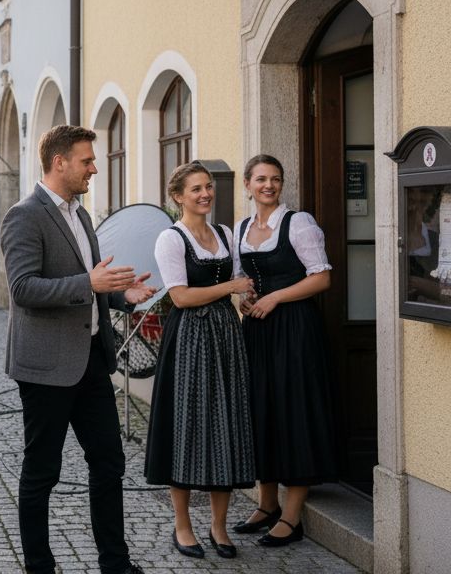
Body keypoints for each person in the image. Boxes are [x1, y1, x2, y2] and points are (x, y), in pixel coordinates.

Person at [0, 124, 154, 574]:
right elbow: (24, 288)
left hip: (92, 361)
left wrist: (120, 294)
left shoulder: (81, 215)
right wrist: (90, 283)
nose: (94, 168)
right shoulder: (24, 215)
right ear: (59, 162)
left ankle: (116, 564)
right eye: (87, 160)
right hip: (46, 366)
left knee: (109, 462)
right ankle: (39, 566)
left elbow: (91, 282)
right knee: (42, 470)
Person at [144, 162, 256, 560]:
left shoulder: (225, 233)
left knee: (225, 424)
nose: (205, 194)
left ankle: (219, 526)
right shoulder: (170, 239)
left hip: (226, 335)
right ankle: (183, 524)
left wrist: (244, 298)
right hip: (190, 338)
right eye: (196, 189)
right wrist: (231, 287)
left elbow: (239, 286)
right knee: (188, 428)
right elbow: (181, 297)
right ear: (178, 197)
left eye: (208, 187)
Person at [233, 154, 336, 546]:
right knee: (262, 410)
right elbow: (244, 278)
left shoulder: (300, 223)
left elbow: (321, 278)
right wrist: (246, 299)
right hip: (258, 331)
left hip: (295, 330)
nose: (268, 185)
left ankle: (293, 516)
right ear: (248, 184)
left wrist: (275, 298)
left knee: (294, 412)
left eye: (275, 179)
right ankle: (267, 503)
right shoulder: (242, 228)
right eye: (261, 179)